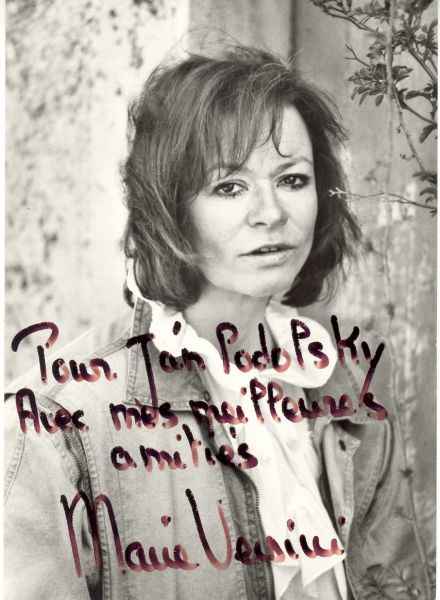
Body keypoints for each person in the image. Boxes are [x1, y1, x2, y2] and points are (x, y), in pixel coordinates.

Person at [4, 45, 427, 600]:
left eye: (292, 179)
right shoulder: (57, 420)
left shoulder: (346, 377)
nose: (271, 213)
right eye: (229, 186)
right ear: (169, 208)